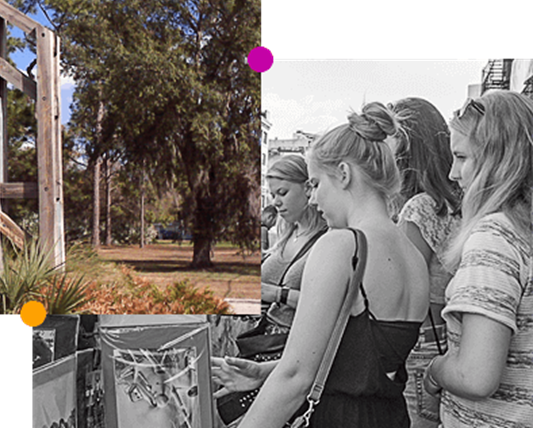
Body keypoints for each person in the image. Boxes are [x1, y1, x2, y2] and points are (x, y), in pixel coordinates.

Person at [213, 103, 429, 428]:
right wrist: (261, 372)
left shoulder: (342, 245)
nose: (313, 199)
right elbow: (361, 358)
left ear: (343, 174)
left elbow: (296, 378)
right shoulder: (413, 255)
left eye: (315, 184)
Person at [424, 91, 533, 428]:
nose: (454, 173)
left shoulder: (495, 236)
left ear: (496, 158)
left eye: (461, 157)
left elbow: (476, 377)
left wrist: (435, 370)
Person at [389, 97, 463, 428]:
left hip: (419, 344)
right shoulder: (452, 202)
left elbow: (400, 291)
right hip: (446, 339)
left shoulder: (418, 208)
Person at [260, 154, 329, 327]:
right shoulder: (285, 233)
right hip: (262, 339)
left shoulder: (328, 237)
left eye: (282, 193)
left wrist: (277, 294)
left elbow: (328, 305)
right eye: (273, 195)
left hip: (291, 343)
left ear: (307, 188)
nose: (276, 202)